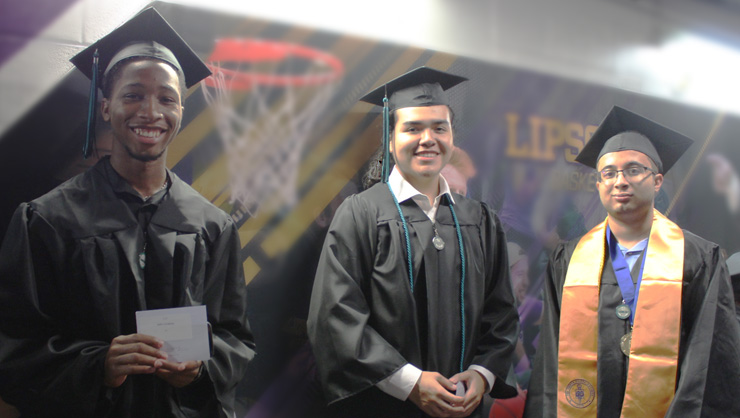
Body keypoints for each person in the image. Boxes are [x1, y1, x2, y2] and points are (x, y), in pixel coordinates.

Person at [0, 8, 255, 417]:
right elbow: (14, 345)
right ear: (105, 107)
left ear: (181, 111)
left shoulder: (210, 225)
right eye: (133, 94)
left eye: (166, 98)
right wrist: (97, 364)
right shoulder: (48, 220)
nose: (151, 111)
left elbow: (234, 337)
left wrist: (198, 370)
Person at [307, 66, 519, 418]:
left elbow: (502, 314)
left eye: (440, 127)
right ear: (390, 139)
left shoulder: (480, 220)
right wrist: (410, 383)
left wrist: (482, 376)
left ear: (452, 136)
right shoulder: (361, 214)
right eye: (413, 128)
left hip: (464, 407)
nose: (428, 139)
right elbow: (335, 317)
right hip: (384, 406)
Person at [524, 106, 740, 418]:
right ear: (598, 185)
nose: (620, 181)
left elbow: (710, 359)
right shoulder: (569, 259)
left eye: (634, 170)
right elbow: (551, 357)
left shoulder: (699, 258)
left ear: (657, 181)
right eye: (608, 173)